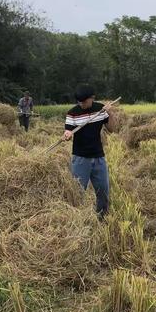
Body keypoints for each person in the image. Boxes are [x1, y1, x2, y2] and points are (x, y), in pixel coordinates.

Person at [63, 85, 115, 219]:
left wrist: (110, 113)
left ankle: (102, 218)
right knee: (78, 192)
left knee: (103, 191)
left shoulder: (100, 109)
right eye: (79, 102)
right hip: (80, 159)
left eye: (84, 101)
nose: (81, 104)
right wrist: (67, 134)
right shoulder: (72, 113)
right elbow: (68, 131)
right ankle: (76, 219)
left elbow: (112, 129)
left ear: (92, 98)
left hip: (98, 157)